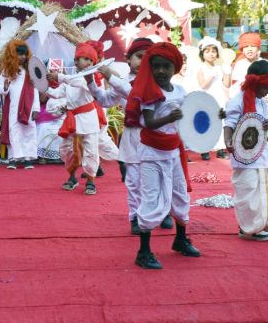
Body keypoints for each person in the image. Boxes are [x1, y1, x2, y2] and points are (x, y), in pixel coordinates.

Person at [125, 41, 203, 268]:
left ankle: (180, 240)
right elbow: (149, 122)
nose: (161, 70)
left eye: (166, 66)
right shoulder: (150, 91)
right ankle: (143, 252)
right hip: (151, 153)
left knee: (180, 194)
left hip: (174, 151)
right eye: (156, 66)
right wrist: (169, 118)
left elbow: (188, 119)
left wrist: (210, 117)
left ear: (175, 68)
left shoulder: (180, 91)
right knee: (150, 198)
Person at [48, 41, 124, 195]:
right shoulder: (69, 80)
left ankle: (91, 181)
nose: (89, 62)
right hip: (72, 119)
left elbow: (77, 81)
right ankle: (72, 178)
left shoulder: (90, 78)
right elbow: (56, 94)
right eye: (85, 59)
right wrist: (41, 86)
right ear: (76, 60)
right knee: (67, 149)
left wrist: (59, 76)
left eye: (91, 60)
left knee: (91, 150)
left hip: (89, 118)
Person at [225, 57, 268, 241]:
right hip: (243, 154)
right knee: (248, 188)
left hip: (262, 152)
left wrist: (267, 123)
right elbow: (229, 123)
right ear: (255, 83)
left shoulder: (262, 102)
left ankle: (265, 221)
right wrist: (227, 141)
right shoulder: (237, 101)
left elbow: (263, 119)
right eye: (266, 87)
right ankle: (248, 228)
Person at [0, 38, 44, 168]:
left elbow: (35, 90)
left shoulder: (30, 71)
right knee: (13, 130)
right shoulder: (6, 72)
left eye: (25, 54)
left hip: (28, 107)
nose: (23, 57)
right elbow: (1, 90)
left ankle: (27, 159)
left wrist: (36, 109)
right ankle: (12, 159)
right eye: (20, 54)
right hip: (12, 108)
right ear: (13, 54)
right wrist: (5, 87)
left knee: (28, 131)